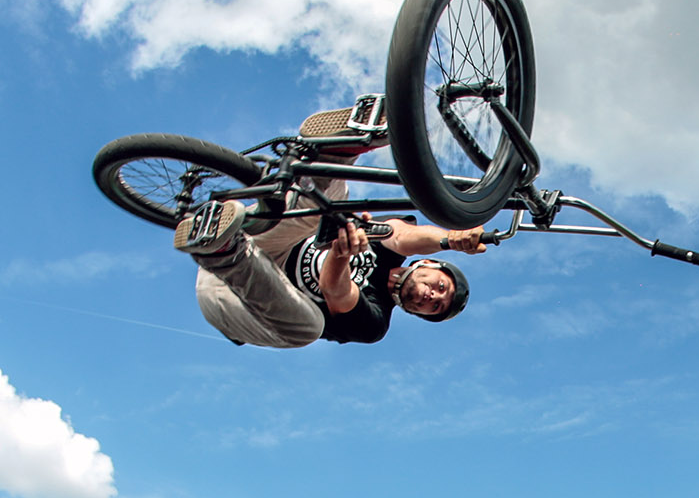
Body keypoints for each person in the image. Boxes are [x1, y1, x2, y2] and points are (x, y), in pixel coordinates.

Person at [174, 98, 489, 349]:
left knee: (309, 329)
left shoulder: (374, 321)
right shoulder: (397, 247)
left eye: (434, 307)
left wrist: (341, 254)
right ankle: (340, 148)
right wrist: (451, 238)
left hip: (231, 296)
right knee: (336, 200)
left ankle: (224, 250)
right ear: (430, 263)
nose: (431, 297)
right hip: (262, 242)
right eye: (440, 287)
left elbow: (334, 290)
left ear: (418, 314)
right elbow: (403, 235)